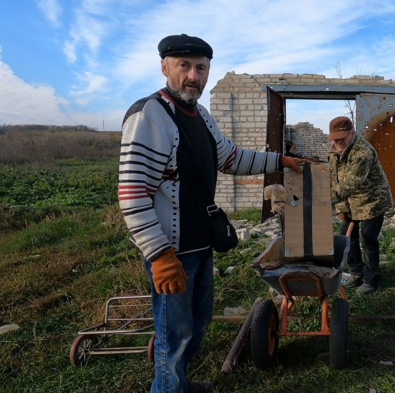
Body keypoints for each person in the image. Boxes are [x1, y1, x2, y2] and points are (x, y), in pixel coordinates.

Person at [118, 34, 307, 393]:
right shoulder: (149, 116)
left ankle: (179, 384)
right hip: (172, 252)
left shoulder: (199, 115)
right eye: (184, 66)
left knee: (197, 322)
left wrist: (279, 160)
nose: (193, 75)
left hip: (199, 244)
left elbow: (230, 157)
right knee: (172, 336)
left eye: (201, 68)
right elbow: (131, 193)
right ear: (164, 67)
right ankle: (169, 389)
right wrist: (159, 255)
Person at [328, 116, 393, 295]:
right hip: (351, 200)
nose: (339, 141)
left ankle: (371, 280)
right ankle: (356, 272)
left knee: (368, 239)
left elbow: (351, 182)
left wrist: (323, 200)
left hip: (372, 200)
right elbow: (336, 180)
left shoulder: (363, 152)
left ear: (352, 133)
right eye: (335, 138)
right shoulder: (334, 152)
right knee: (347, 237)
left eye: (342, 137)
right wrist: (341, 208)